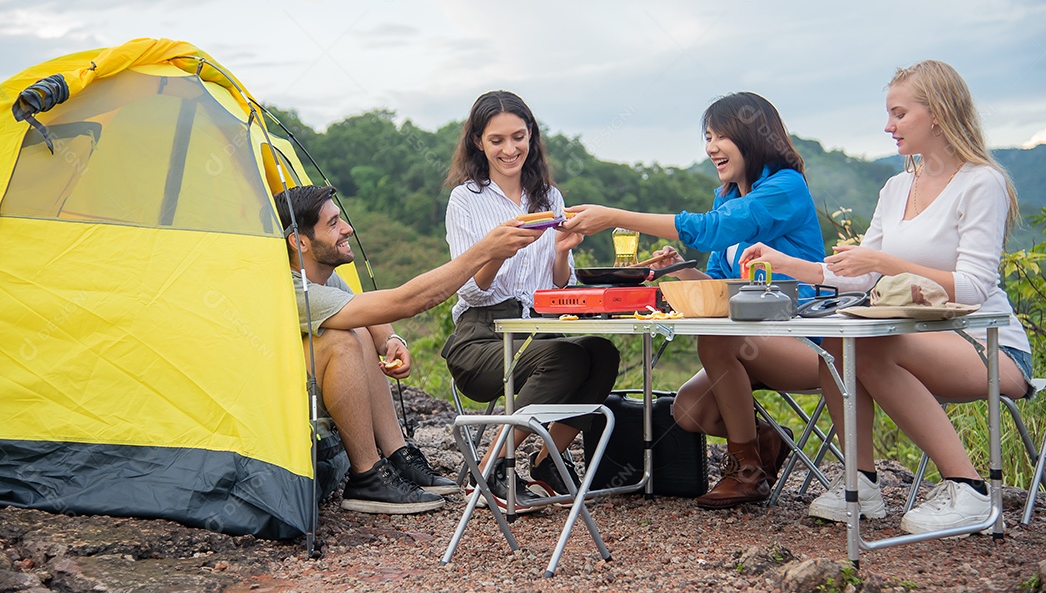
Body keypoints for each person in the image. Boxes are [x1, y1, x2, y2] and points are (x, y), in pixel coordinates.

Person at [740, 60, 1033, 534]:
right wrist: (788, 263)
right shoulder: (896, 187)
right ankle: (861, 484)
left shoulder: (982, 182)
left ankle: (970, 490)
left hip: (989, 346)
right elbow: (860, 277)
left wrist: (883, 262)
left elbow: (974, 286)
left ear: (937, 113)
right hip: (921, 339)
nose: (888, 125)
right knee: (837, 344)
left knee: (868, 346)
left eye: (899, 113)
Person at [561, 91, 826, 508]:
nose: (711, 148)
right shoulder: (728, 196)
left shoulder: (785, 187)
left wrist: (614, 217)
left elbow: (712, 229)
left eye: (721, 136)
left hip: (806, 342)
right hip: (750, 344)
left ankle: (746, 472)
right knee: (687, 411)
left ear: (753, 137)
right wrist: (680, 270)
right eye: (707, 137)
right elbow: (718, 286)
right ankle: (765, 442)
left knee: (716, 340)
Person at [275, 184, 544, 515]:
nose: (347, 229)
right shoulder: (292, 289)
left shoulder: (321, 276)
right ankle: (366, 477)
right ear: (299, 241)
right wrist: (484, 251)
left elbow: (365, 312)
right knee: (342, 340)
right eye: (333, 224)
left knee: (357, 330)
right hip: (280, 402)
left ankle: (396, 455)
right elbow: (407, 301)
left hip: (308, 386)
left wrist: (392, 341)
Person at [443, 90, 622, 512]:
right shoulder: (465, 200)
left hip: (537, 327)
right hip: (481, 335)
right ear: (478, 142)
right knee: (564, 357)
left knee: (602, 352)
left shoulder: (549, 198)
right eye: (497, 140)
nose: (510, 149)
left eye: (518, 137)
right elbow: (469, 289)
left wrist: (561, 252)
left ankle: (548, 462)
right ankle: (488, 470)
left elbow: (560, 287)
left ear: (531, 137)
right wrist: (496, 252)